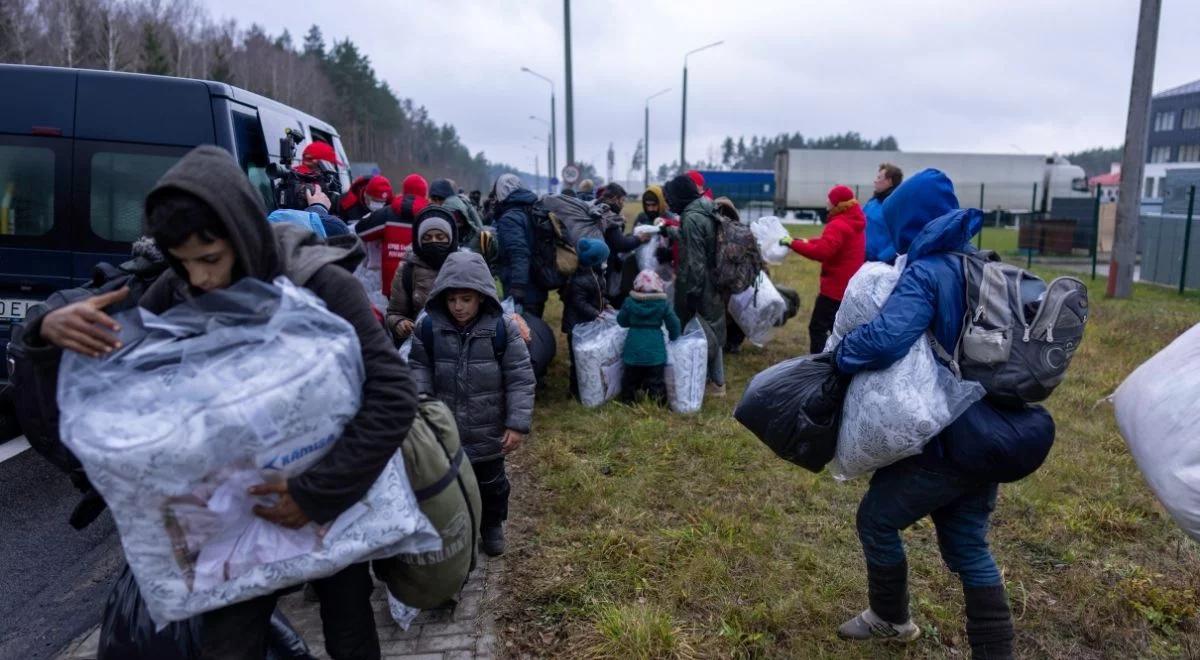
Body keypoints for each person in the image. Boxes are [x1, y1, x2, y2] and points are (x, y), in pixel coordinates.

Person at [31, 145, 414, 660]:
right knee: (226, 644)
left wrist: (312, 495)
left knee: (349, 627)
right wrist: (44, 332)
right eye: (184, 263)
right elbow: (119, 386)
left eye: (210, 259)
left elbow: (393, 395)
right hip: (235, 515)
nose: (202, 279)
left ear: (242, 235)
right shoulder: (175, 292)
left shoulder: (318, 283)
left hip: (328, 501)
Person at [832, 169, 1015, 658]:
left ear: (911, 219)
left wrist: (837, 355)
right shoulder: (983, 266)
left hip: (939, 433)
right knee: (969, 547)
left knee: (877, 519)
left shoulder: (927, 269)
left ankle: (890, 619)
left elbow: (888, 338)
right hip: (988, 431)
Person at [408, 251, 535, 557]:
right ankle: (458, 531)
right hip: (445, 428)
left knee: (492, 483)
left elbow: (520, 378)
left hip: (488, 427)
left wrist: (516, 424)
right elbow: (418, 369)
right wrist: (423, 409)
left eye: (466, 299)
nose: (458, 307)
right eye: (452, 299)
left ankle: (491, 525)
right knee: (450, 486)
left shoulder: (503, 329)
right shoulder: (429, 328)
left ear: (481, 297)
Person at [781, 184, 866, 354]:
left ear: (836, 203)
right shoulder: (852, 221)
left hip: (834, 289)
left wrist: (792, 243)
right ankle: (836, 358)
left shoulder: (838, 225)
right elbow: (827, 243)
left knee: (817, 327)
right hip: (849, 286)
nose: (826, 201)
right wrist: (801, 241)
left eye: (830, 198)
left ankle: (817, 365)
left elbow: (822, 252)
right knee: (836, 328)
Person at [663, 174, 726, 397]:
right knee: (713, 329)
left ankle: (703, 382)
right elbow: (697, 238)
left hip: (700, 284)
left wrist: (691, 293)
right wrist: (670, 231)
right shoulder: (705, 207)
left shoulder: (690, 217)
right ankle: (717, 383)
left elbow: (694, 262)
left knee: (699, 332)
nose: (669, 204)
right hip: (715, 278)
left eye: (670, 198)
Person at [386, 206, 459, 341]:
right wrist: (399, 323)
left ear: (450, 238)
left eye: (440, 237)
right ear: (419, 241)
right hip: (422, 346)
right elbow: (394, 313)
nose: (434, 241)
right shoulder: (408, 270)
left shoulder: (464, 266)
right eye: (427, 237)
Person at [616, 269, 681, 405]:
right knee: (656, 381)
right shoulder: (663, 304)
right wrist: (674, 337)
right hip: (655, 351)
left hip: (633, 350)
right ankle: (657, 403)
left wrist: (633, 322)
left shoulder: (629, 302)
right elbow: (674, 324)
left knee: (630, 380)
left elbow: (621, 321)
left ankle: (628, 401)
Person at [561, 238, 609, 400]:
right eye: (603, 259)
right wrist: (596, 313)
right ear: (594, 261)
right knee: (577, 360)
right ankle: (574, 391)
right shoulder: (579, 280)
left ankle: (591, 385)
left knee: (589, 357)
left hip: (588, 324)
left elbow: (599, 295)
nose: (605, 262)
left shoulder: (596, 274)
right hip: (576, 326)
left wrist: (606, 305)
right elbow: (579, 303)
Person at [493, 174, 547, 318]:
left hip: (523, 290)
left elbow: (518, 253)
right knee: (533, 329)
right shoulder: (531, 209)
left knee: (521, 335)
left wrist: (517, 289)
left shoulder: (510, 218)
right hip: (537, 283)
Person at [594, 183, 653, 308]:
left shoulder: (597, 209)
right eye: (622, 200)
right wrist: (639, 238)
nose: (623, 204)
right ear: (615, 199)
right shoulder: (608, 215)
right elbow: (621, 244)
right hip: (604, 265)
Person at [864, 163, 903, 263]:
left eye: (879, 177)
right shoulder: (871, 203)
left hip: (881, 265)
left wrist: (881, 259)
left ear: (889, 182)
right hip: (863, 261)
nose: (875, 180)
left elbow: (901, 238)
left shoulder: (897, 207)